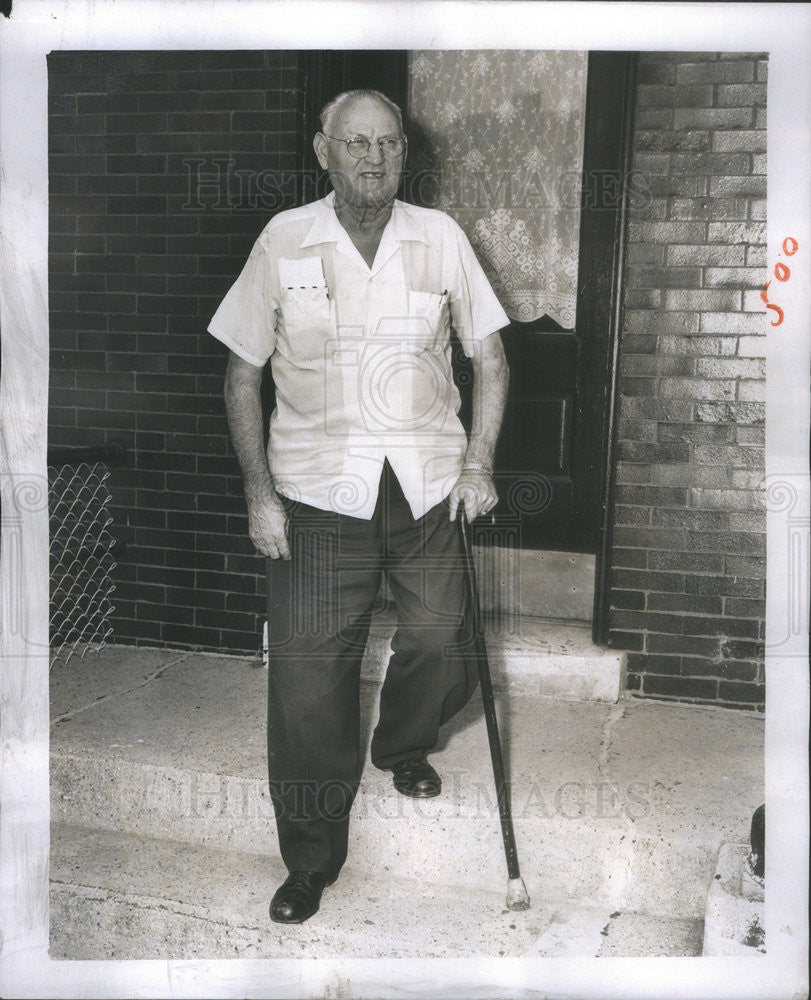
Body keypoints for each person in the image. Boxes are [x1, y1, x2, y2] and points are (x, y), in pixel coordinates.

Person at [208, 89, 509, 924]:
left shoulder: (440, 238)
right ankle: (310, 859)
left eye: (385, 143)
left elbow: (490, 358)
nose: (372, 158)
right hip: (314, 494)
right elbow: (242, 374)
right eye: (354, 144)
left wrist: (479, 461)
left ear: (402, 151)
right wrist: (258, 496)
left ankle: (403, 741)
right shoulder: (283, 239)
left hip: (425, 488)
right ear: (323, 151)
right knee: (308, 680)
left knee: (443, 638)